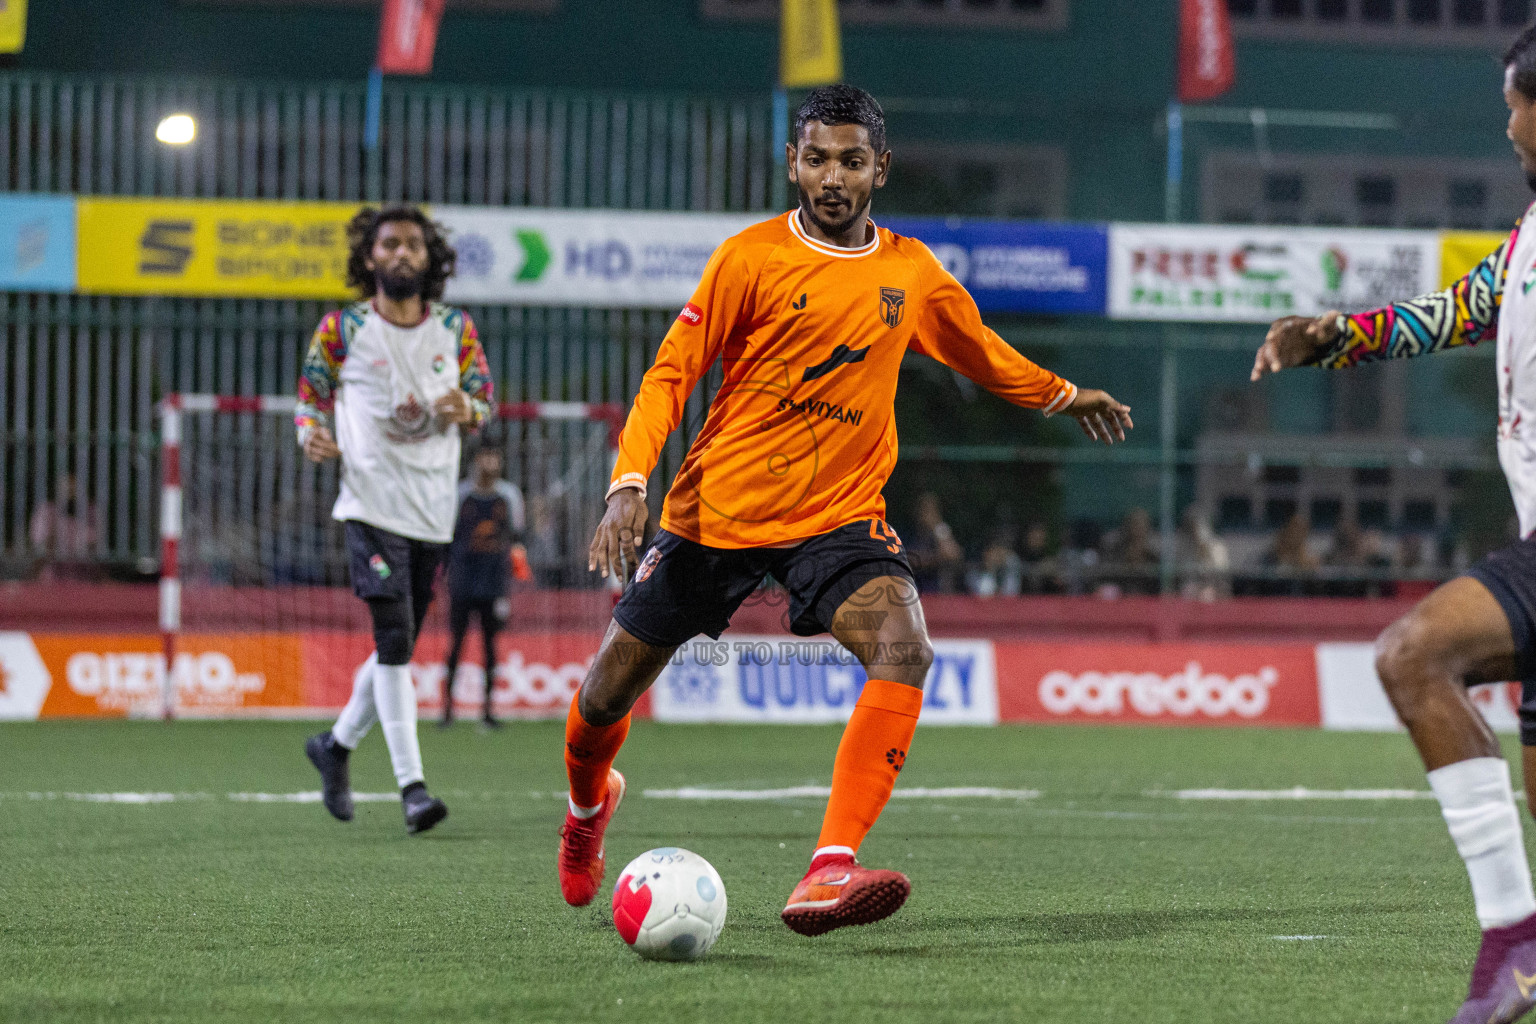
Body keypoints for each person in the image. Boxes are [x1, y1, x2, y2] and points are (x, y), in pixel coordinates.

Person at [557, 85, 1133, 936]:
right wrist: (629, 483)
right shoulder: (747, 258)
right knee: (605, 697)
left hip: (838, 515)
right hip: (716, 512)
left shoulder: (911, 272)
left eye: (852, 161)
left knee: (906, 647)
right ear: (793, 163)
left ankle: (828, 870)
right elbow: (670, 375)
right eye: (818, 158)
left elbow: (982, 353)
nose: (833, 176)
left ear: (880, 169)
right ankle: (587, 808)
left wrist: (1064, 395)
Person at [1250, 27, 1536, 1020]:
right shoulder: (1531, 237)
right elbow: (1461, 310)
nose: (1507, 122)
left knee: (1413, 657)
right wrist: (1337, 337)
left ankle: (1511, 943)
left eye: (1519, 101)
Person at [297, 204, 493, 835]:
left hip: (433, 512)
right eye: (390, 244)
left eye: (413, 244)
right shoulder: (343, 327)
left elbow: (485, 402)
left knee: (396, 646)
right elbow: (310, 395)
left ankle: (334, 746)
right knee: (393, 642)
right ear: (370, 256)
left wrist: (465, 404)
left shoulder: (455, 328)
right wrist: (311, 433)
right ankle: (413, 788)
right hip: (370, 505)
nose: (402, 253)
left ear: (429, 258)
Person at [441, 443, 529, 729]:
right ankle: (447, 711)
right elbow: (446, 536)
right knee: (456, 643)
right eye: (485, 456)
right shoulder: (461, 495)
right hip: (463, 580)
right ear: (476, 461)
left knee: (491, 647)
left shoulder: (509, 496)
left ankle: (488, 712)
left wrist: (514, 572)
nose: (490, 462)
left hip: (494, 583)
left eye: (495, 456)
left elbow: (517, 539)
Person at [28, 472, 100, 582]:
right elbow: (39, 549)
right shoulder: (46, 512)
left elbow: (96, 548)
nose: (71, 495)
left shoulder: (91, 513)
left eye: (74, 490)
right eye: (67, 490)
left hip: (83, 580)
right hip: (51, 580)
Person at [906, 492, 965, 593]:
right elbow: (910, 560)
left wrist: (937, 527)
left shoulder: (939, 533)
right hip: (913, 595)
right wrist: (938, 558)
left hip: (937, 595)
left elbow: (954, 554)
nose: (927, 515)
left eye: (931, 511)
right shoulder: (908, 534)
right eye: (924, 510)